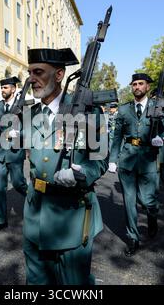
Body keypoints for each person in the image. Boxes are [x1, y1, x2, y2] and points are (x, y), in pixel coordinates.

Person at [23, 48, 108, 285]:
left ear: (59, 75)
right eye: (30, 72)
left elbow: (99, 159)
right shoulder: (30, 114)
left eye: (38, 72)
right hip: (35, 214)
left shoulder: (86, 111)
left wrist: (81, 175)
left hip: (70, 217)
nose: (32, 78)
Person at [108, 73, 164, 256]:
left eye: (140, 84)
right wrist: (112, 159)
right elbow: (117, 136)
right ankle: (133, 237)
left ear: (147, 87)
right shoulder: (124, 110)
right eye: (134, 84)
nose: (137, 87)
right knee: (129, 201)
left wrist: (161, 138)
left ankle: (152, 217)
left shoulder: (157, 107)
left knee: (148, 201)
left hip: (148, 158)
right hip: (127, 159)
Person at [0, 76, 28, 233]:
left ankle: (36, 204)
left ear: (13, 89)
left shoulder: (23, 106)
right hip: (0, 153)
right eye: (2, 88)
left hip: (15, 152)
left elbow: (30, 128)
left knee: (18, 184)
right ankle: (1, 220)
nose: (3, 90)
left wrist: (18, 133)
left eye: (6, 88)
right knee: (0, 188)